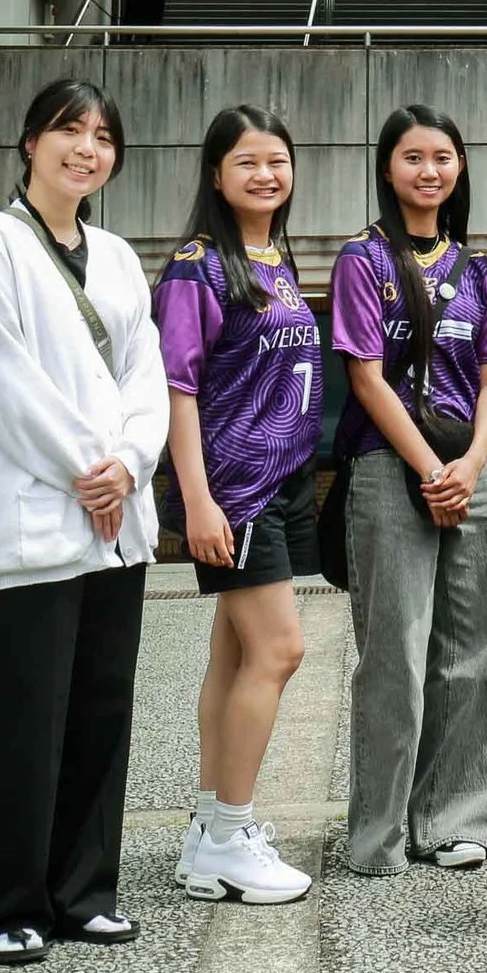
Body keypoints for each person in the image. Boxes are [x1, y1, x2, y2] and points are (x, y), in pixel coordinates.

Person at [0, 78, 169, 963]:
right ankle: (5, 906)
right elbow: (1, 380)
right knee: (18, 726)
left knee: (99, 716)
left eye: (103, 136)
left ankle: (83, 893)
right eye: (70, 129)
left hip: (113, 527)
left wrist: (131, 464)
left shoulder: (117, 256)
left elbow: (146, 375)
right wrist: (89, 470)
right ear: (31, 142)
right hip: (31, 527)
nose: (87, 148)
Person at [329, 105, 487, 874]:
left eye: (442, 156)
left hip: (474, 468)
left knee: (479, 647)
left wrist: (470, 463)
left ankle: (458, 817)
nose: (429, 170)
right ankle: (379, 833)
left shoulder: (478, 269)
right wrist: (430, 468)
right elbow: (365, 377)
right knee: (396, 655)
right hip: (388, 464)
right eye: (413, 156)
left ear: (459, 166)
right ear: (387, 167)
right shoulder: (362, 258)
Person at [156, 107, 318, 906]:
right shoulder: (198, 265)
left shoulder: (274, 257)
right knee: (280, 649)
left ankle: (209, 825)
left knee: (233, 656)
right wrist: (198, 500)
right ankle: (230, 836)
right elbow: (177, 386)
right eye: (247, 161)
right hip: (234, 487)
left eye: (277, 160)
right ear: (216, 175)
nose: (265, 174)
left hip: (278, 481)